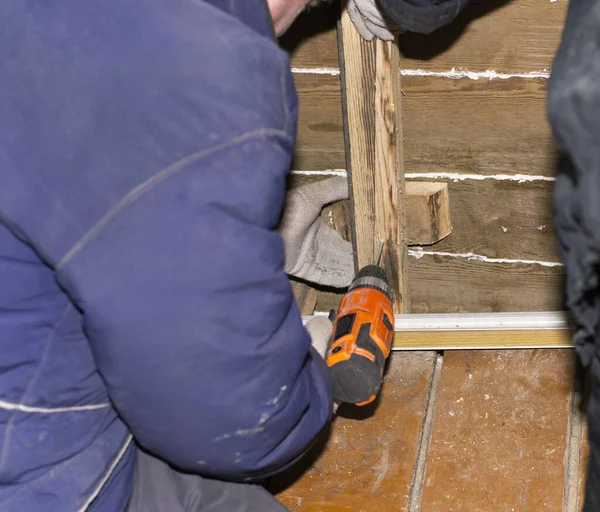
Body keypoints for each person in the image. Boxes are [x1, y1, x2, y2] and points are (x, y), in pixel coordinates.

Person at [0, 0, 469, 510]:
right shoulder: (196, 72)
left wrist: (224, 248)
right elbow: (235, 422)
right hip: (40, 478)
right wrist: (307, 382)